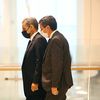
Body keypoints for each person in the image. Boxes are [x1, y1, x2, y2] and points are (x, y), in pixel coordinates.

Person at [39, 15, 73, 100]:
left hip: (58, 84)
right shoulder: (58, 37)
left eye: (41, 28)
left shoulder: (56, 40)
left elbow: (57, 65)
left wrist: (54, 86)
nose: (41, 31)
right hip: (59, 83)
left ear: (47, 27)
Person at [21, 17, 47, 100]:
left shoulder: (39, 40)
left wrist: (35, 82)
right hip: (30, 84)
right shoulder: (32, 40)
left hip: (35, 85)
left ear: (31, 27)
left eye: (24, 28)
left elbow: (39, 63)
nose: (23, 31)